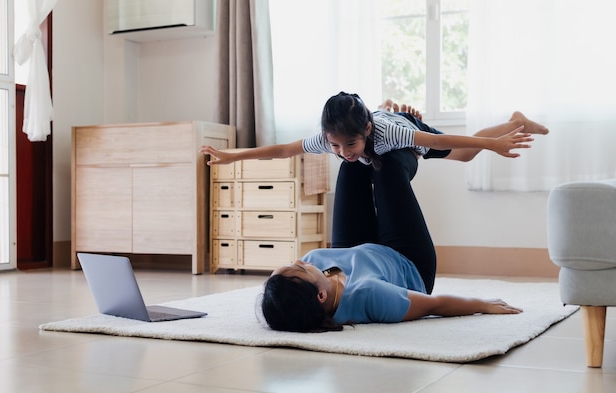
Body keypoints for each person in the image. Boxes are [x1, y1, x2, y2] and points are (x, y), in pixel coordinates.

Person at [261, 146, 523, 332]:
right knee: (385, 162)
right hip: (405, 261)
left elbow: (284, 305)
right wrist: (482, 305)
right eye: (298, 268)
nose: (299, 260)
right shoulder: (371, 294)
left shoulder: (313, 264)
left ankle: (381, 124)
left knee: (351, 165)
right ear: (320, 296)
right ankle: (409, 146)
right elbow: (436, 304)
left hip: (360, 251)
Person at [200, 92, 549, 170]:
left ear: (366, 131)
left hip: (402, 125)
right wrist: (233, 156)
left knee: (466, 155)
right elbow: (282, 150)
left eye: (349, 144)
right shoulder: (331, 138)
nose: (343, 152)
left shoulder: (387, 136)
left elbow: (438, 140)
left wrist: (492, 143)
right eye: (336, 146)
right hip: (382, 114)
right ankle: (390, 104)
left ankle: (515, 120)